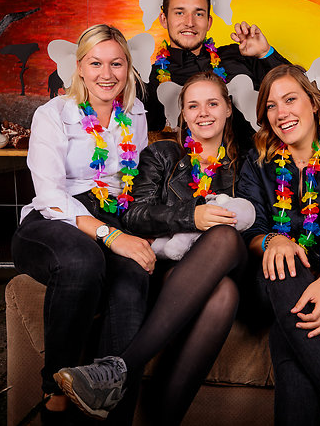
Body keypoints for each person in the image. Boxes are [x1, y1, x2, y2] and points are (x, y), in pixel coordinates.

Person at [54, 71, 248, 424]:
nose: (203, 113)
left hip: (229, 261)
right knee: (224, 294)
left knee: (225, 237)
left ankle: (118, 369)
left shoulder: (248, 163)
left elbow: (258, 217)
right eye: (193, 105)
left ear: (228, 108)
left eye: (212, 103)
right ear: (183, 114)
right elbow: (135, 214)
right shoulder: (163, 154)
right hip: (173, 269)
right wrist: (192, 216)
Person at [11, 24, 151, 424]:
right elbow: (50, 193)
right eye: (95, 63)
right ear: (79, 67)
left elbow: (136, 183)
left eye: (116, 64)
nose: (107, 74)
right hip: (53, 217)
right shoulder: (53, 114)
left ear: (128, 68)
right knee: (82, 261)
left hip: (112, 212)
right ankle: (54, 394)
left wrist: (134, 232)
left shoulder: (136, 115)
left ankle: (110, 406)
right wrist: (110, 234)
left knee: (134, 276)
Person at [237, 64, 320, 426]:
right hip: (266, 281)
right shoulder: (256, 162)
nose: (281, 113)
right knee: (285, 264)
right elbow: (251, 230)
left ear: (313, 103)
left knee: (289, 340)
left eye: (290, 100)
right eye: (271, 105)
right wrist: (274, 240)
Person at [144, 0, 290, 140]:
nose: (190, 22)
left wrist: (265, 53)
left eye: (198, 14)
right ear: (164, 19)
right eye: (180, 13)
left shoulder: (241, 54)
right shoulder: (150, 80)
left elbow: (300, 92)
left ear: (209, 22)